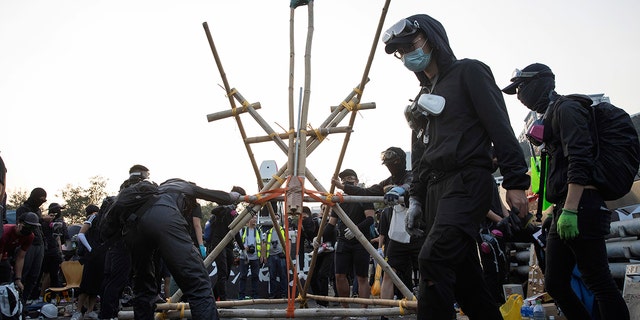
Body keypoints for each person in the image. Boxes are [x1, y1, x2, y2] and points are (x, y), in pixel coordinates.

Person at [382, 14, 530, 319]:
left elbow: (499, 126)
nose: (408, 54)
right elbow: (420, 155)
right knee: (466, 281)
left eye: (410, 45)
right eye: (401, 51)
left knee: (433, 259)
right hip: (436, 190)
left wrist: (516, 181)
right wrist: (416, 200)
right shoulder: (423, 97)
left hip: (467, 180)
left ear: (432, 39)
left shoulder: (469, 72)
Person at [503, 63, 630, 320]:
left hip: (582, 205)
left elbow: (579, 159)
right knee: (556, 284)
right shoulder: (550, 117)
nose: (520, 96)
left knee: (598, 280)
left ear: (541, 82)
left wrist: (571, 208)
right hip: (564, 207)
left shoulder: (567, 109)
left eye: (522, 87)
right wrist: (554, 211)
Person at [119, 178, 243, 319]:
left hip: (133, 230)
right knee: (199, 284)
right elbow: (213, 195)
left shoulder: (154, 194)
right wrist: (238, 197)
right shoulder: (182, 186)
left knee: (144, 288)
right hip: (165, 222)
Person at [100, 164, 149, 320]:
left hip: (113, 243)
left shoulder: (123, 191)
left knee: (111, 279)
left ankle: (108, 312)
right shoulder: (134, 192)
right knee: (117, 280)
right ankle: (108, 314)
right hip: (122, 242)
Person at [328, 169, 375, 308]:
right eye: (344, 180)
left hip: (361, 241)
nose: (347, 181)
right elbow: (331, 224)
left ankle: (363, 312)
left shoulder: (364, 196)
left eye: (350, 178)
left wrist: (356, 230)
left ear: (357, 181)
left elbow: (370, 219)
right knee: (339, 275)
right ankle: (345, 311)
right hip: (343, 241)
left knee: (361, 277)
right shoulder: (338, 200)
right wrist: (319, 237)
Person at [204, 186, 245, 301]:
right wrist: (226, 206)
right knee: (222, 272)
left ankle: (213, 296)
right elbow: (214, 211)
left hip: (228, 245)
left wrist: (243, 248)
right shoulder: (224, 207)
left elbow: (235, 231)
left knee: (226, 272)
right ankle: (223, 299)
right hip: (218, 243)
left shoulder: (234, 213)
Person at [15, 187, 48, 306]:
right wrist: (42, 219)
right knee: (24, 273)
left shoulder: (38, 210)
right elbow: (21, 226)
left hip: (39, 244)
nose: (42, 201)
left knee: (35, 275)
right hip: (28, 245)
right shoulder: (22, 209)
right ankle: (17, 302)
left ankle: (25, 301)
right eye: (41, 199)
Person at [71, 204, 104, 320]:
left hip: (99, 256)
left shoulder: (103, 218)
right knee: (86, 285)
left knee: (95, 285)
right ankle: (78, 311)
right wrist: (90, 249)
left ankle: (90, 311)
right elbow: (81, 234)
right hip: (91, 256)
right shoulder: (93, 217)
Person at [0, 212, 38, 289]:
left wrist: (18, 279)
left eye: (33, 227)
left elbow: (21, 257)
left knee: (7, 275)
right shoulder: (5, 232)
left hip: (4, 254)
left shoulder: (30, 236)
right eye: (27, 226)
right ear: (18, 223)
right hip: (1, 252)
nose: (29, 229)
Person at [40, 203, 69, 299]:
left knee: (51, 275)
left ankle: (50, 297)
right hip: (50, 251)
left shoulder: (55, 222)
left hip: (50, 251)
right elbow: (60, 239)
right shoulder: (48, 223)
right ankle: (43, 297)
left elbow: (61, 239)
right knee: (50, 275)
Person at [238, 215, 265, 300]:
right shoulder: (243, 230)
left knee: (255, 276)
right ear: (248, 219)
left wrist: (262, 255)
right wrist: (243, 247)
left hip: (255, 257)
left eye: (255, 218)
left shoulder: (258, 231)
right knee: (243, 276)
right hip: (244, 256)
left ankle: (255, 295)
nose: (254, 220)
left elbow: (262, 243)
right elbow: (238, 241)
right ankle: (241, 296)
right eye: (253, 218)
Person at [265, 212, 287, 299]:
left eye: (277, 218)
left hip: (281, 255)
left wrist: (286, 254)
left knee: (283, 275)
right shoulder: (268, 232)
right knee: (272, 276)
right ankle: (273, 294)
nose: (276, 220)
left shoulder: (283, 230)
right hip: (271, 255)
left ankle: (284, 294)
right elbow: (265, 243)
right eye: (274, 219)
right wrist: (265, 256)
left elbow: (287, 243)